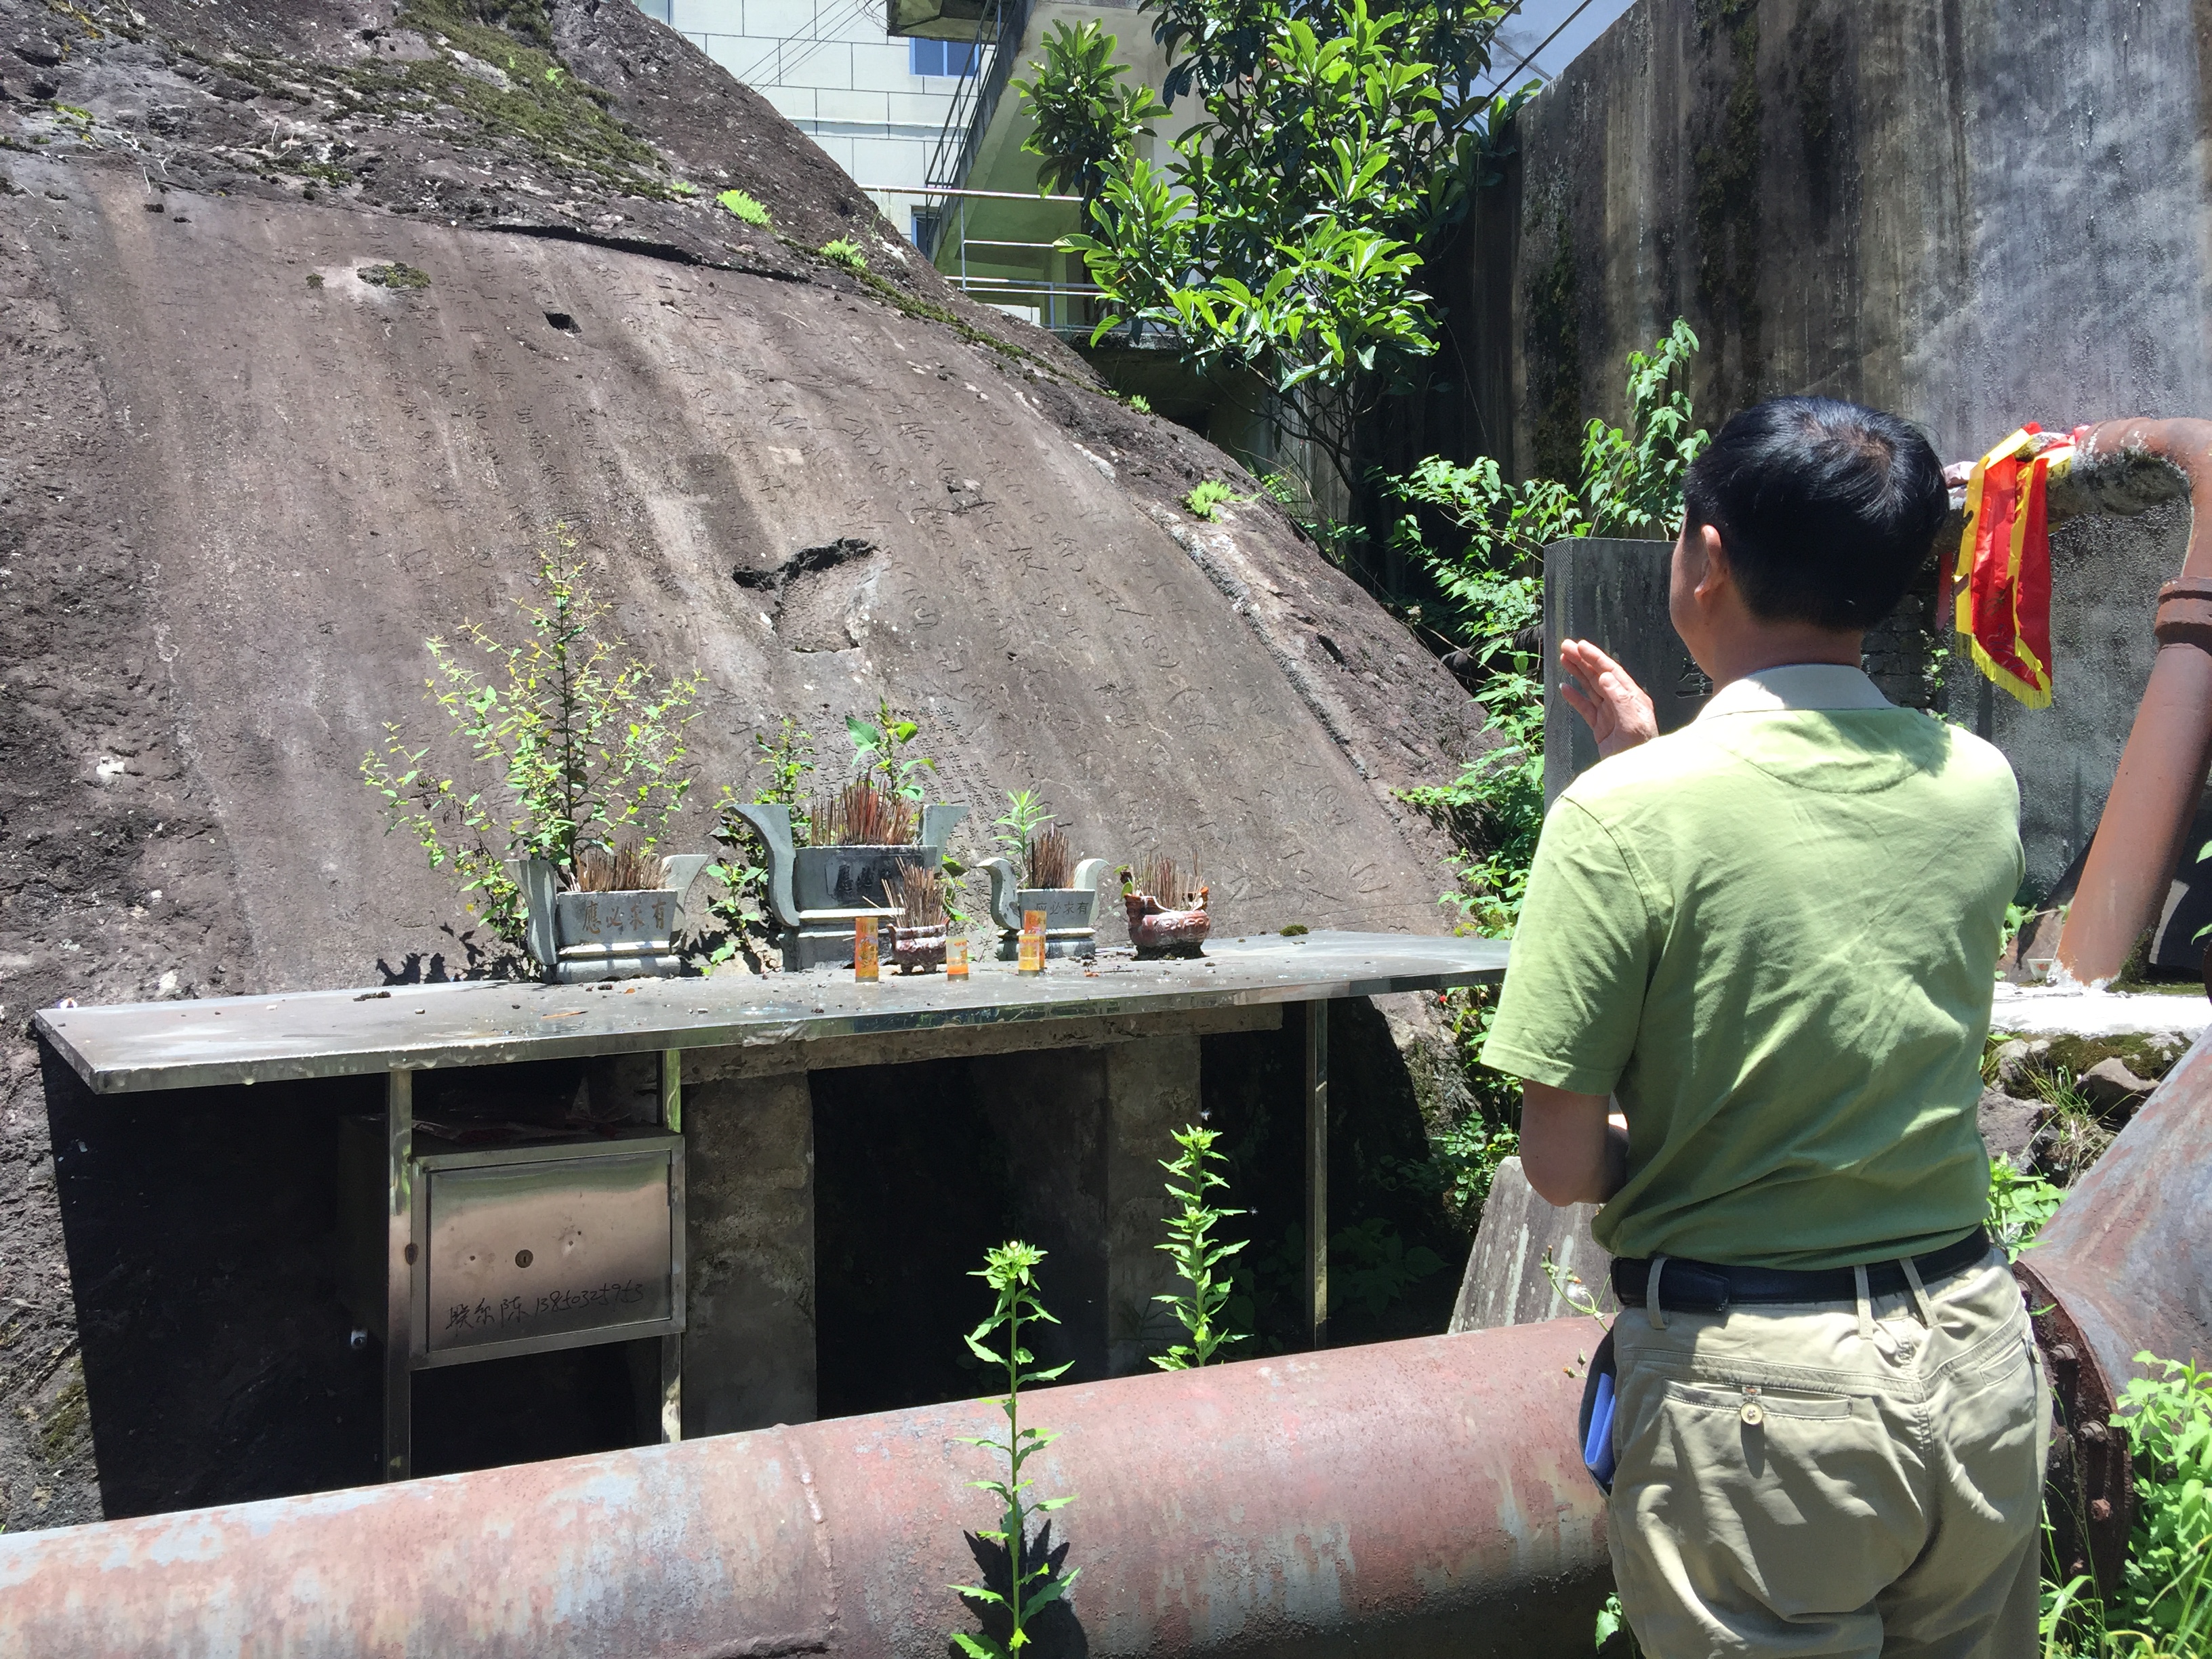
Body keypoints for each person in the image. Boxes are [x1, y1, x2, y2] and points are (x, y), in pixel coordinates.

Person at [1483, 396, 2049, 1658]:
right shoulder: (1978, 783)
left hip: (1759, 1407)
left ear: (1707, 556)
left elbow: (1563, 1164)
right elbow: (1822, 923)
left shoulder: (1624, 817)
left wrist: (1640, 771)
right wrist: (1656, 755)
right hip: (1973, 1356)